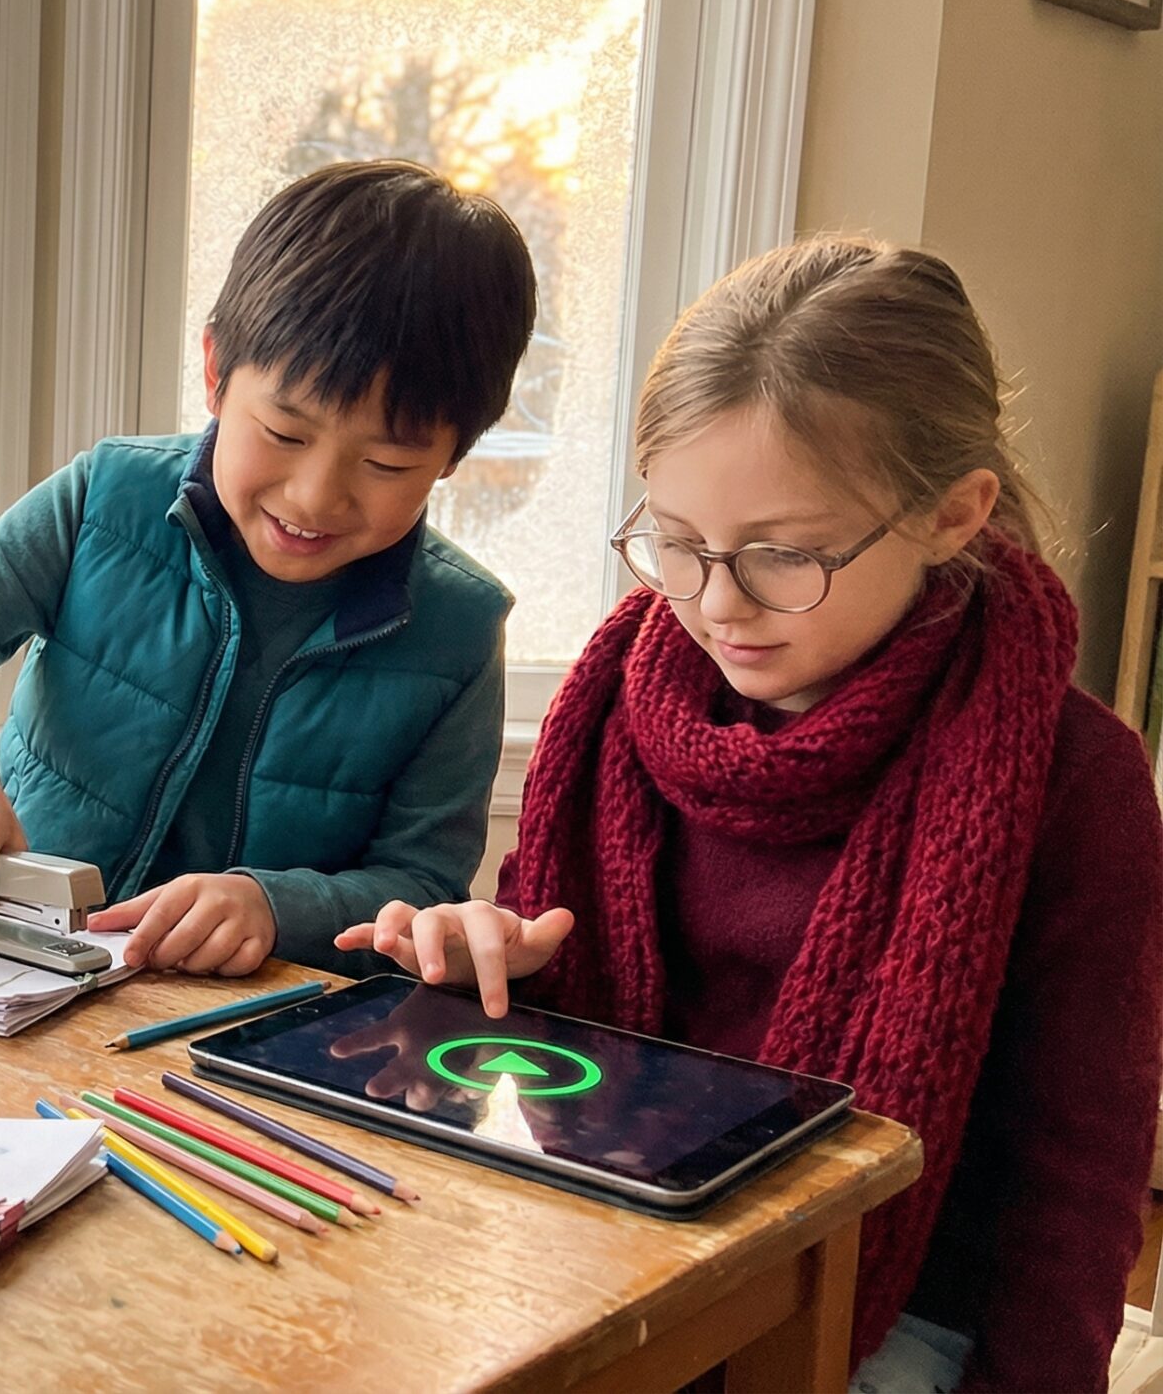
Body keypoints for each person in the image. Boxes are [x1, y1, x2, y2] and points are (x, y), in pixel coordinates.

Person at [338, 237, 1163, 1391]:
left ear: (952, 513)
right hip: (610, 1252)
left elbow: (1076, 1185)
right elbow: (546, 1030)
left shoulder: (1075, 777)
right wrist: (486, 969)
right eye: (676, 544)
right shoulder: (618, 704)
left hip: (889, 1302)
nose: (715, 604)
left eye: (784, 555)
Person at [0, 159, 534, 975]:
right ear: (214, 372)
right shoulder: (110, 497)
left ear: (452, 457)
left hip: (235, 1033)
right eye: (283, 432)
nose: (314, 497)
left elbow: (420, 884)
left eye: (385, 464)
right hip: (11, 971)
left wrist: (274, 905)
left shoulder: (458, 626)